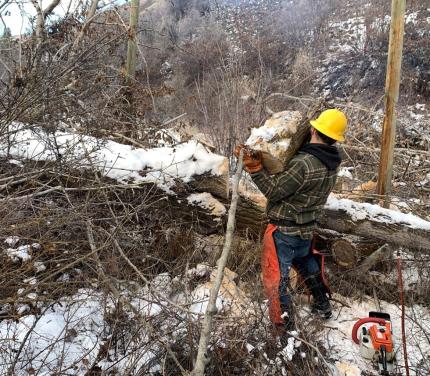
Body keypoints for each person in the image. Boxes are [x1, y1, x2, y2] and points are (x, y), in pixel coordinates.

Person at [234, 109, 347, 333]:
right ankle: (323, 305)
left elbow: (274, 191)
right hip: (305, 230)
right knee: (306, 263)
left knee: (277, 279)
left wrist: (255, 169)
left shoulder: (304, 163)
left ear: (313, 129)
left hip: (284, 230)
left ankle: (284, 329)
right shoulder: (332, 163)